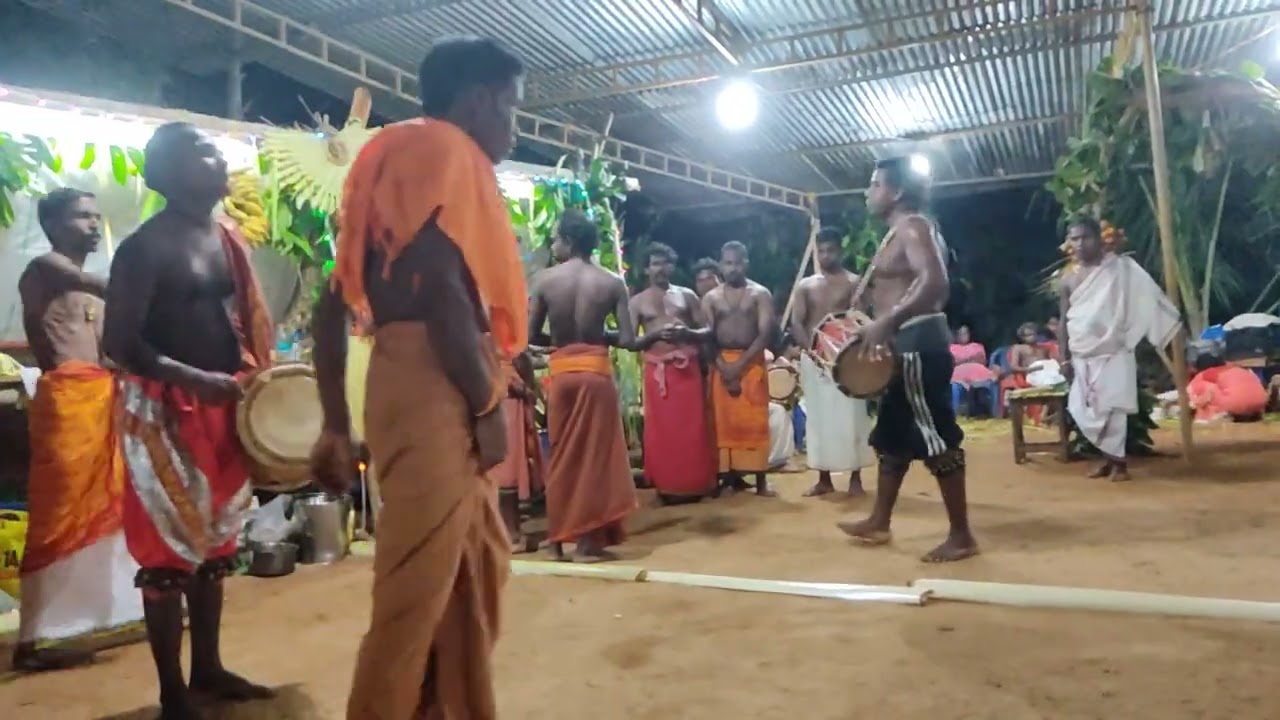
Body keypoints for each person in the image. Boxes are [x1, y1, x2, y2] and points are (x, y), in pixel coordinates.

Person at [308, 37, 527, 719]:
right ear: (478, 100)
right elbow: (439, 288)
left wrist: (337, 425)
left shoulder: (390, 154)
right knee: (414, 598)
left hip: (411, 378)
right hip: (441, 381)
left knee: (472, 568)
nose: (514, 125)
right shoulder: (447, 153)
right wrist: (487, 400)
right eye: (512, 107)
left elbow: (328, 303)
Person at [103, 122, 275, 716]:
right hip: (163, 414)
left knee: (215, 546)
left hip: (222, 407)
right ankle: (172, 691)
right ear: (168, 172)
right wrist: (195, 378)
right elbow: (120, 342)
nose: (220, 161)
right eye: (204, 153)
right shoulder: (144, 248)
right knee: (168, 556)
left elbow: (237, 320)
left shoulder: (225, 238)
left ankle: (208, 668)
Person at [14, 188, 143, 672]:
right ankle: (41, 636)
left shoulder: (90, 289)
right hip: (67, 403)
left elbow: (108, 349)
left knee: (112, 504)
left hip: (102, 398)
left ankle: (107, 618)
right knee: (64, 508)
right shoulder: (45, 268)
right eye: (81, 217)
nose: (93, 224)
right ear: (52, 224)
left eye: (96, 216)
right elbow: (100, 286)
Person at [835, 156, 978, 563]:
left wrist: (889, 320)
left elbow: (935, 283)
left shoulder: (913, 227)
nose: (869, 191)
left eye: (875, 184)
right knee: (893, 438)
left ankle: (962, 535)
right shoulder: (899, 231)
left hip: (917, 344)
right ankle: (879, 521)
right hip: (903, 346)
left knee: (937, 438)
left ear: (896, 191)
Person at [529, 208, 639, 562]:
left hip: (561, 374)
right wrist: (593, 337)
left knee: (561, 455)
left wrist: (564, 342)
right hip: (595, 374)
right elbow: (626, 338)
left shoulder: (545, 280)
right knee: (594, 457)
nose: (553, 243)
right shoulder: (611, 282)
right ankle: (588, 542)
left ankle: (558, 537)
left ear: (570, 241)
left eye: (557, 237)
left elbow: (531, 336)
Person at [1060, 217, 1180, 482]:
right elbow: (1064, 319)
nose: (1080, 243)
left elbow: (1144, 296)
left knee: (1113, 408)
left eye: (1085, 237)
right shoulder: (1068, 279)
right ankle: (1107, 458)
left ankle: (1119, 464)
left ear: (1098, 238)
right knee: (1082, 407)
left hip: (1114, 349)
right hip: (1082, 352)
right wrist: (1063, 357)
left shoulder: (1119, 269)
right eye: (1074, 238)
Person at [790, 227, 874, 497]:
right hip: (814, 360)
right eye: (822, 250)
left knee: (853, 416)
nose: (826, 255)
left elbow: (861, 318)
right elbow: (797, 323)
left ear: (840, 250)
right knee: (818, 419)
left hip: (847, 358)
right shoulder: (806, 286)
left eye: (831, 250)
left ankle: (855, 478)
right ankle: (823, 479)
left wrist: (848, 351)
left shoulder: (854, 282)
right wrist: (812, 353)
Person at [629, 243, 716, 504]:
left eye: (665, 263)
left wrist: (688, 334)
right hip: (659, 372)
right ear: (646, 268)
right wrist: (654, 335)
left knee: (693, 428)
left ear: (672, 266)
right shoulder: (637, 301)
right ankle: (666, 487)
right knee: (661, 431)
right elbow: (630, 341)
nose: (661, 268)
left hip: (686, 369)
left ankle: (697, 484)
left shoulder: (687, 295)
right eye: (655, 263)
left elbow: (708, 330)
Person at [702, 241, 777, 497]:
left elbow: (765, 334)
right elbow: (706, 338)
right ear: (721, 265)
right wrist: (724, 368)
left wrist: (739, 367)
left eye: (737, 262)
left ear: (746, 263)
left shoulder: (760, 294)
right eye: (728, 263)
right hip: (721, 362)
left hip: (751, 362)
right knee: (723, 424)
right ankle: (727, 479)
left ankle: (761, 482)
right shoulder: (711, 297)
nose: (733, 268)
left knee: (755, 422)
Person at [492, 350, 545, 551]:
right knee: (508, 475)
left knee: (506, 475)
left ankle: (510, 533)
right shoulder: (497, 346)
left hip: (506, 402)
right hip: (507, 404)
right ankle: (511, 536)